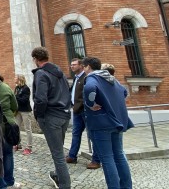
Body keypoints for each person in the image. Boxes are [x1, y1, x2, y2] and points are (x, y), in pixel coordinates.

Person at [82, 57, 133, 189]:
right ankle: (127, 187)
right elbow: (124, 92)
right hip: (116, 121)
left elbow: (90, 89)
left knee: (107, 158)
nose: (83, 69)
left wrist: (90, 103)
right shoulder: (111, 79)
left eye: (84, 67)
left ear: (88, 67)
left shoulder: (92, 78)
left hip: (101, 123)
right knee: (119, 155)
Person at [31, 46, 71, 189]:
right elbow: (68, 92)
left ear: (35, 59)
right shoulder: (60, 73)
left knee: (58, 155)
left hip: (51, 117)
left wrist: (39, 115)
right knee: (59, 151)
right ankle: (59, 176)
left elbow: (40, 99)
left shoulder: (41, 73)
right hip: (64, 115)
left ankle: (65, 185)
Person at [66, 58, 101, 169]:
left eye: (74, 64)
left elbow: (86, 94)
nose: (71, 66)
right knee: (75, 133)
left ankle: (96, 160)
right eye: (71, 64)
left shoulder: (86, 77)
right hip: (77, 111)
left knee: (92, 135)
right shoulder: (76, 78)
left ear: (81, 66)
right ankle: (72, 155)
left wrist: (85, 105)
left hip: (85, 110)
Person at [14, 74, 33, 155]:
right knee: (16, 128)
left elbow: (24, 100)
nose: (14, 79)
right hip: (18, 111)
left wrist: (15, 96)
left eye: (15, 77)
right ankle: (18, 144)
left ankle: (29, 147)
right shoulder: (17, 88)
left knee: (27, 129)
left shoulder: (26, 88)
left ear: (19, 79)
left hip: (25, 111)